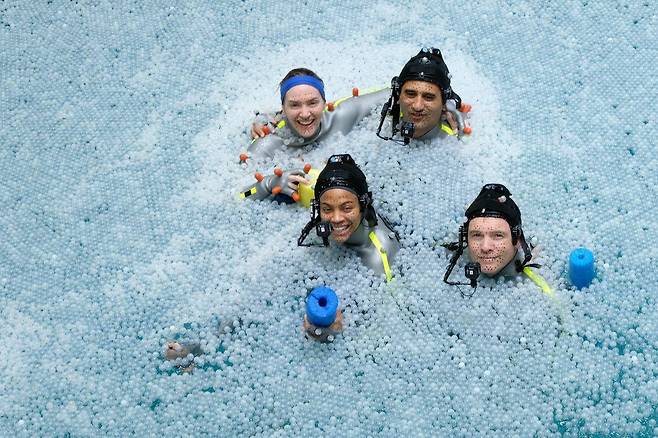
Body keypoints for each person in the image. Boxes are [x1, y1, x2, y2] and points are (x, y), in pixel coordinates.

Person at [243, 68, 389, 160]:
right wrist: (268, 185)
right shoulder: (268, 145)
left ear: (324, 103)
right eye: (294, 105)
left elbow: (394, 93)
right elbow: (240, 193)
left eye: (313, 103)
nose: (305, 114)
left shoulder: (341, 117)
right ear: (283, 109)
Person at [297, 154, 400, 282]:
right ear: (318, 208)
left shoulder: (377, 260)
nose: (336, 219)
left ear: (363, 205)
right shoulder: (319, 229)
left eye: (346, 208)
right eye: (327, 209)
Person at [442, 184, 551, 294]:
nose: (485, 247)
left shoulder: (535, 282)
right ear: (466, 238)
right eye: (477, 235)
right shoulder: (452, 258)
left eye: (498, 235)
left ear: (517, 240)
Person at [376, 47, 471, 144]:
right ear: (399, 95)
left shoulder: (453, 139)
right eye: (410, 94)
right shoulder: (378, 113)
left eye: (429, 97)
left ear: (443, 103)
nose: (417, 106)